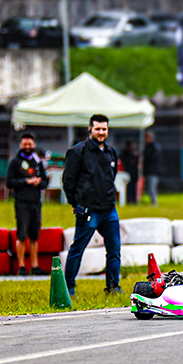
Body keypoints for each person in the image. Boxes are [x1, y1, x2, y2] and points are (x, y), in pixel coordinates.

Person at [63, 114, 121, 296]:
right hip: (88, 209)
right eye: (97, 129)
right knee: (78, 248)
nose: (101, 132)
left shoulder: (111, 152)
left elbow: (113, 176)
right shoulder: (78, 151)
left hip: (109, 209)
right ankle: (68, 287)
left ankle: (113, 286)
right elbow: (68, 180)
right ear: (90, 129)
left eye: (104, 129)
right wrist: (75, 203)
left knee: (114, 249)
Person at [6, 132, 48, 275]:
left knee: (34, 235)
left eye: (30, 144)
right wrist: (26, 182)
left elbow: (45, 181)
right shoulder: (15, 162)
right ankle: (22, 266)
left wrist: (38, 182)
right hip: (21, 202)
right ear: (20, 145)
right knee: (22, 235)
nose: (27, 147)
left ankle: (35, 265)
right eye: (25, 144)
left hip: (36, 202)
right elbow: (9, 182)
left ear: (34, 145)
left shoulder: (37, 162)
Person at [143, 131, 161, 206]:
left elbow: (153, 157)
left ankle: (154, 202)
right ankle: (152, 200)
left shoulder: (154, 147)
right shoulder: (146, 147)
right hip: (148, 171)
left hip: (153, 171)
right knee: (149, 187)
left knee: (152, 186)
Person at [119, 140, 139, 205]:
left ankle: (134, 199)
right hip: (127, 172)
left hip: (134, 173)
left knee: (134, 187)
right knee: (128, 187)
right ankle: (129, 199)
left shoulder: (135, 153)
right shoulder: (125, 153)